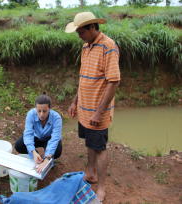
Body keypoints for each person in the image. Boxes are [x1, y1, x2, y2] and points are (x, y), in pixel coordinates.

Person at [65, 12, 121, 202]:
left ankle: (102, 188)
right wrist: (75, 101)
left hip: (98, 112)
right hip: (84, 109)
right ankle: (90, 172)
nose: (79, 35)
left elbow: (113, 82)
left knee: (100, 147)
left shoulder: (109, 46)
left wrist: (99, 112)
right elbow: (83, 79)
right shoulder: (85, 46)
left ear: (92, 28)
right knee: (88, 141)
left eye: (81, 32)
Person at [15, 94, 62, 173]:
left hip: (49, 138)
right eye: (39, 111)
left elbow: (55, 138)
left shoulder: (57, 118)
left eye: (44, 111)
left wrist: (47, 158)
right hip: (35, 136)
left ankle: (46, 159)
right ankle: (37, 157)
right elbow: (28, 134)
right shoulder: (30, 114)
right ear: (35, 108)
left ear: (49, 109)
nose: (41, 114)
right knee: (19, 146)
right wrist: (33, 152)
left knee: (57, 151)